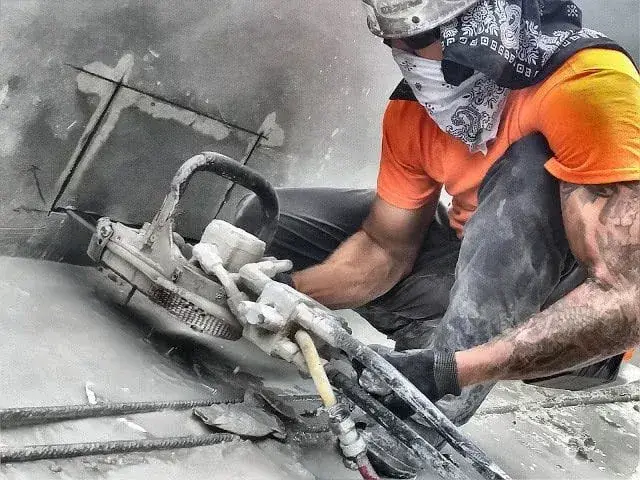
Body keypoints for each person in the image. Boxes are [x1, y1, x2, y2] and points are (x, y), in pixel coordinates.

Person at [236, 0, 640, 431]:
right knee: (277, 221)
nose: (397, 49)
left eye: (414, 37)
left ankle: (438, 395)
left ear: (478, 25)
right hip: (475, 272)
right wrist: (276, 291)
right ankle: (441, 342)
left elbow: (628, 297)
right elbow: (384, 249)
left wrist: (449, 372)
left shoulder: (588, 85)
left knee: (530, 165)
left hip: (579, 322)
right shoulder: (416, 109)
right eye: (390, 39)